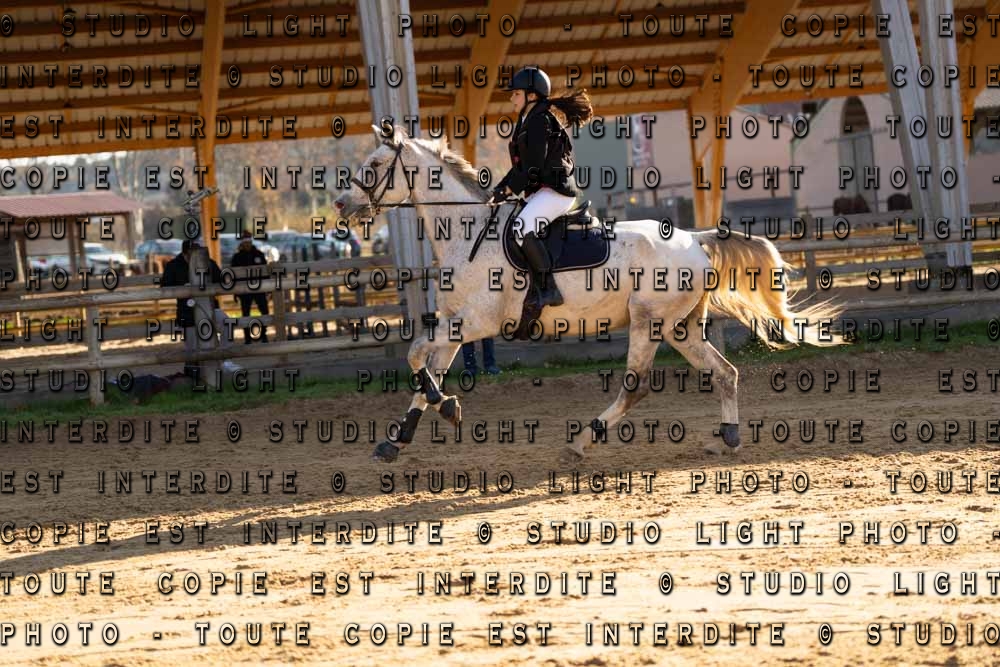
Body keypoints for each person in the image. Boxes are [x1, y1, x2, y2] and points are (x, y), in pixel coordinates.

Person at [492, 66, 594, 312]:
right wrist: (499, 189)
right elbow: (521, 167)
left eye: (516, 93)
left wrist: (508, 190)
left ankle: (549, 289)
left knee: (521, 227)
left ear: (532, 95)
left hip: (556, 192)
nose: (511, 98)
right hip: (543, 191)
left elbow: (534, 167)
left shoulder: (539, 120)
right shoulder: (527, 120)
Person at [160, 239, 238, 377]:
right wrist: (182, 289)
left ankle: (224, 359)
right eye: (191, 254)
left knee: (228, 323)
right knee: (193, 350)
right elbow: (164, 287)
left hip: (210, 308)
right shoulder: (173, 265)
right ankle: (192, 373)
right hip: (187, 312)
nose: (194, 257)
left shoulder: (207, 262)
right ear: (184, 254)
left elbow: (221, 281)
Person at [230, 231, 270, 344]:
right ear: (242, 244)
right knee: (245, 314)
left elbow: (265, 272)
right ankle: (247, 338)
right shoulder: (237, 257)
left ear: (251, 242)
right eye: (245, 242)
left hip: (260, 289)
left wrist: (268, 289)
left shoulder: (259, 254)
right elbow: (234, 276)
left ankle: (264, 335)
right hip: (244, 291)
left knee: (264, 312)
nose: (247, 244)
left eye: (249, 242)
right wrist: (235, 292)